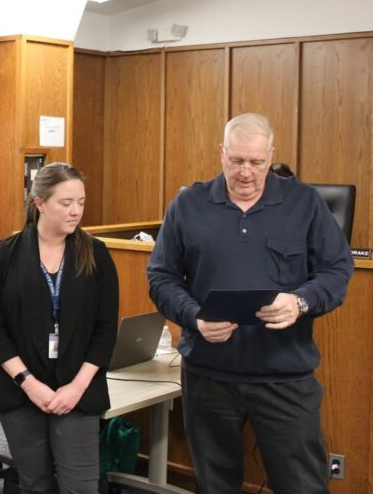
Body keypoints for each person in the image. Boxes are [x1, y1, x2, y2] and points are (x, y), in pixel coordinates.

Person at [146, 113, 354, 494]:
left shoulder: (304, 202)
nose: (245, 172)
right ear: (221, 153)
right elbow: (161, 277)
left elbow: (337, 269)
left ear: (271, 156)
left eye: (256, 163)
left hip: (284, 376)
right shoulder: (188, 205)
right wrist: (194, 318)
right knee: (214, 484)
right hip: (209, 375)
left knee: (302, 484)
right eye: (236, 161)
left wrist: (301, 302)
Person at [0, 162, 119, 494]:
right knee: (34, 484)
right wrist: (29, 384)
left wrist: (76, 387)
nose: (76, 211)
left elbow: (105, 329)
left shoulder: (95, 253)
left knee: (81, 486)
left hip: (78, 390)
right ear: (39, 203)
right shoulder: (7, 253)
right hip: (21, 390)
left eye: (81, 202)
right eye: (66, 203)